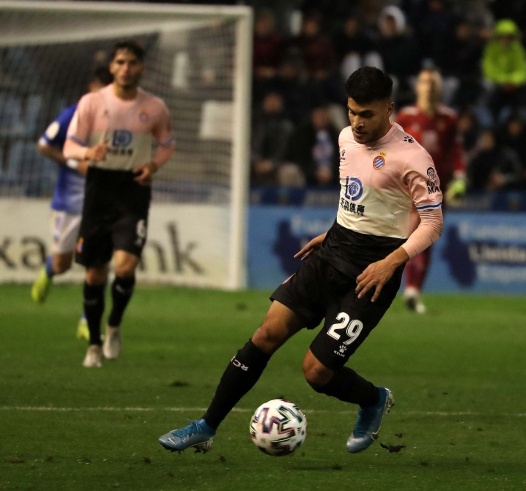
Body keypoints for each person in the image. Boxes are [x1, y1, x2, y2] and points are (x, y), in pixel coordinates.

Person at [158, 66, 443, 454]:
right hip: (331, 254)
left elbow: (432, 222)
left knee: (316, 371)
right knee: (265, 335)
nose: (357, 123)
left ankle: (374, 399)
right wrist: (332, 232)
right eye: (352, 112)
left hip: (371, 275)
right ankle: (206, 426)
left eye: (367, 114)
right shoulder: (345, 138)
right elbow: (359, 201)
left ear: (389, 109)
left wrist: (391, 262)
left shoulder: (412, 157)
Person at [63, 41, 175, 368]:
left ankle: (113, 325)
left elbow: (167, 144)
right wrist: (88, 153)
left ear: (142, 67)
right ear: (112, 66)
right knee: (95, 273)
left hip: (133, 189)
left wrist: (153, 165)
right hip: (99, 188)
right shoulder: (92, 102)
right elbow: (70, 146)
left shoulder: (155, 107)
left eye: (132, 62)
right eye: (121, 62)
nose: (126, 68)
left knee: (125, 267)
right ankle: (94, 344)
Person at [31, 66, 113, 341]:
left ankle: (87, 321)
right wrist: (74, 163)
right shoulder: (72, 114)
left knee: (98, 264)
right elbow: (44, 145)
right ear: (91, 88)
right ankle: (49, 269)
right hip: (70, 203)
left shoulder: (121, 119)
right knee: (63, 264)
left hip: (101, 202)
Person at [393, 67, 465, 313]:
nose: (429, 87)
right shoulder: (406, 117)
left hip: (437, 188)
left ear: (440, 88)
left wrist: (460, 177)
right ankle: (407, 287)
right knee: (414, 237)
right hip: (409, 188)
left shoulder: (449, 119)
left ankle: (412, 290)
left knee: (425, 239)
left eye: (433, 83)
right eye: (425, 82)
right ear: (417, 87)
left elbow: (456, 151)